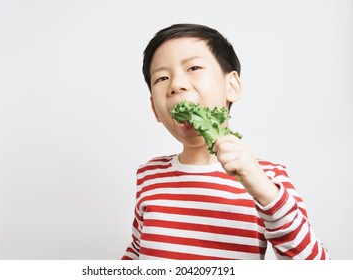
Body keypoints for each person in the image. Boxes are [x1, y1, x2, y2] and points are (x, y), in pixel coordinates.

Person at [122, 23, 329, 260]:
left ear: (231, 86)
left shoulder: (268, 177)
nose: (176, 85)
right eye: (162, 77)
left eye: (194, 67)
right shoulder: (149, 174)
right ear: (154, 109)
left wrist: (265, 192)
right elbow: (137, 252)